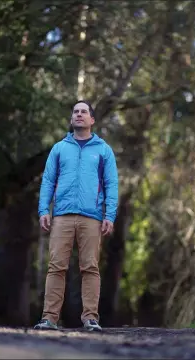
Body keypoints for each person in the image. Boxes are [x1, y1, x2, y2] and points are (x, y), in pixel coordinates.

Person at [34, 100, 119, 332]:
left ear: (92, 120)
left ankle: (90, 318)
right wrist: (44, 210)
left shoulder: (103, 150)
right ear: (72, 119)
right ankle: (49, 318)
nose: (79, 115)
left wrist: (109, 215)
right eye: (75, 112)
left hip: (92, 217)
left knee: (90, 267)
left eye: (84, 112)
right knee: (56, 267)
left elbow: (111, 184)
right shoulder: (59, 149)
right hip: (61, 216)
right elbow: (48, 181)